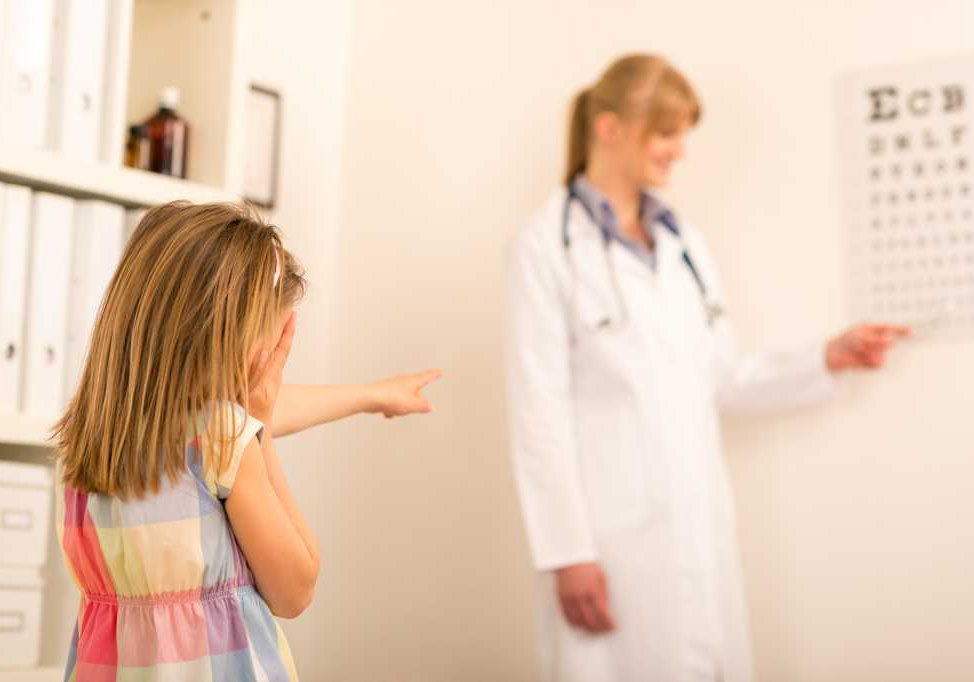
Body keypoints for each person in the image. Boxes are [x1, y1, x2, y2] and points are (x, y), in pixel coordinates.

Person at [504, 54, 909, 682]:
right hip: (609, 540)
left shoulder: (683, 242)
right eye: (665, 133)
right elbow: (538, 412)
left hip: (697, 526)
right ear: (609, 128)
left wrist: (826, 356)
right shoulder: (543, 245)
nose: (679, 151)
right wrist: (567, 553)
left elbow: (719, 377)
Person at [53, 202, 440, 682]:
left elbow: (267, 412)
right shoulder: (226, 437)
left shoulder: (88, 435)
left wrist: (371, 395)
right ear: (224, 337)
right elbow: (296, 588)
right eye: (272, 339)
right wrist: (257, 434)